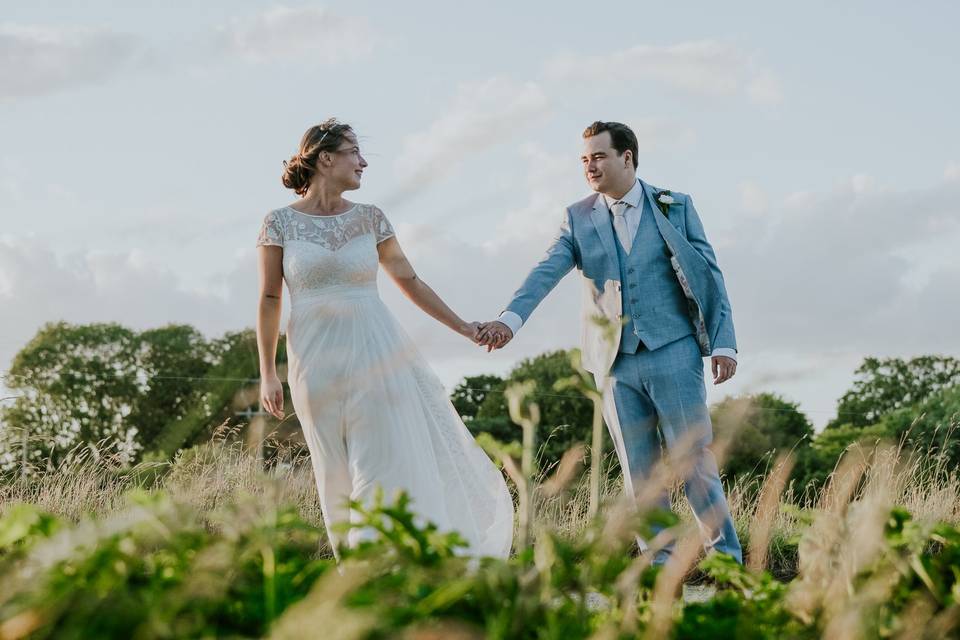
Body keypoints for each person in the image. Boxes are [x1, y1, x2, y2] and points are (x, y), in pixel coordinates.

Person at [477, 121, 742, 564]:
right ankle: (659, 569)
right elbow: (546, 270)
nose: (590, 166)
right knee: (640, 473)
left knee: (694, 462)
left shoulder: (674, 205)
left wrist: (724, 343)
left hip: (674, 349)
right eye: (584, 159)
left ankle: (729, 563)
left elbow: (708, 272)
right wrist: (509, 319)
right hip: (614, 363)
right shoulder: (577, 217)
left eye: (598, 156)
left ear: (627, 157)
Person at [255, 118, 513, 558]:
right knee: (333, 474)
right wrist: (267, 373)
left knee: (377, 468)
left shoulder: (371, 219)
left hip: (376, 353)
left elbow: (410, 281)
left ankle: (390, 569)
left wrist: (465, 328)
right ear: (325, 158)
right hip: (313, 363)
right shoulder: (279, 223)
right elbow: (269, 296)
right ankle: (353, 579)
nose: (364, 162)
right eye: (355, 151)